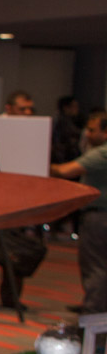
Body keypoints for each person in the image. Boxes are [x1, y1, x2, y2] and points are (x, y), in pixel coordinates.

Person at [52, 109, 107, 313]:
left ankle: (93, 312)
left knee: (95, 266)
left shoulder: (101, 153)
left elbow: (66, 171)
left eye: (92, 130)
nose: (87, 134)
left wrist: (40, 164)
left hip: (99, 216)